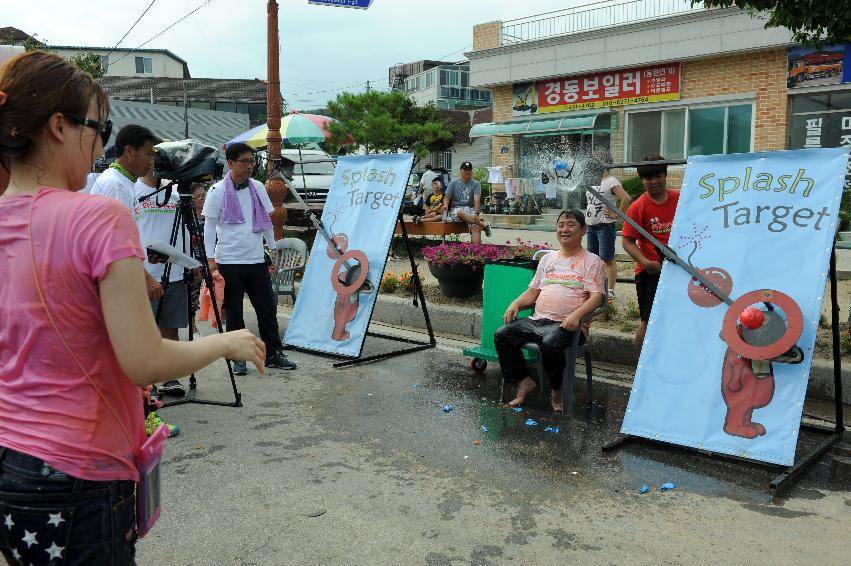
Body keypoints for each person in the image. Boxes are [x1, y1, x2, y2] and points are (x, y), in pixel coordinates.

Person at [0, 51, 265, 564]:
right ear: (58, 126)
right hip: (79, 469)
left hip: (11, 460)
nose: (101, 143)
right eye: (99, 128)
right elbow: (143, 360)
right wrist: (225, 341)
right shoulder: (97, 216)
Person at [493, 209, 605, 412]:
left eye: (571, 225)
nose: (565, 229)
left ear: (583, 230)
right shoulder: (548, 259)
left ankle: (557, 389)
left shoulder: (591, 261)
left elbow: (597, 297)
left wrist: (576, 315)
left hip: (570, 326)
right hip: (538, 321)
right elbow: (533, 291)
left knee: (550, 344)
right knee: (503, 335)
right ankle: (524, 381)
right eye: (561, 225)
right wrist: (516, 303)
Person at [203, 143, 297, 375]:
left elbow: (265, 221)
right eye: (244, 161)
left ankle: (274, 352)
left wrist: (273, 247)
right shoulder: (217, 191)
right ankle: (239, 357)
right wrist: (210, 259)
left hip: (256, 259)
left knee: (266, 308)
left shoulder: (257, 187)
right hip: (229, 260)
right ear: (231, 163)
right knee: (234, 312)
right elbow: (208, 227)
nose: (250, 166)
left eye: (252, 161)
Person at [136, 170, 190, 403]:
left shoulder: (177, 193)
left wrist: (190, 261)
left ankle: (170, 377)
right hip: (145, 273)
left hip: (175, 271)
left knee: (170, 328)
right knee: (143, 332)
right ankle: (147, 382)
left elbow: (185, 229)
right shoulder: (132, 191)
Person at [621, 153, 680, 355]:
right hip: (651, 274)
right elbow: (627, 241)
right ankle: (640, 371)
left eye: (658, 176)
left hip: (680, 270)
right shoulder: (638, 207)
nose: (654, 182)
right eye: (648, 178)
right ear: (642, 180)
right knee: (648, 323)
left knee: (677, 319)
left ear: (665, 175)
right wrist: (645, 262)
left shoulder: (680, 199)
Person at [584, 151, 631, 303]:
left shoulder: (611, 181)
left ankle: (610, 290)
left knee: (607, 258)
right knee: (593, 259)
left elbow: (626, 198)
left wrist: (617, 215)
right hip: (592, 226)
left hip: (605, 226)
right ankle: (595, 287)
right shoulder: (592, 180)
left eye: (598, 159)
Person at [443, 161, 492, 243]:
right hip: (457, 210)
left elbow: (477, 200)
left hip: (470, 209)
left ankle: (475, 252)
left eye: (469, 170)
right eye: (465, 169)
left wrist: (476, 213)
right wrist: (445, 205)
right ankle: (483, 224)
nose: (467, 172)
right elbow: (446, 197)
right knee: (460, 211)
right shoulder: (453, 183)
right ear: (460, 171)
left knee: (475, 227)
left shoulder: (476, 184)